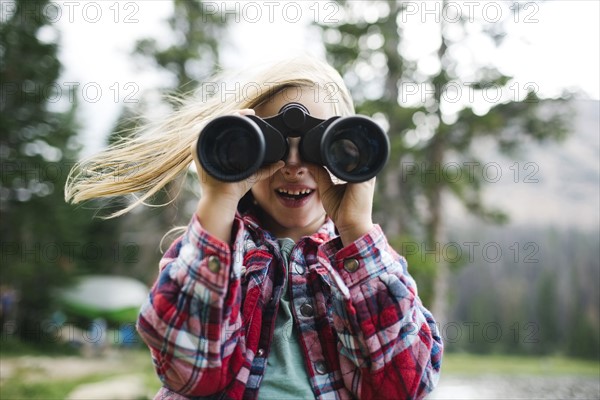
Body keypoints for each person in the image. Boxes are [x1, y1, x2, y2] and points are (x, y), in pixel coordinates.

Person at [65, 57, 443, 399]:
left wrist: (356, 229)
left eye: (317, 146)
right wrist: (217, 204)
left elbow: (404, 385)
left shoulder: (365, 266)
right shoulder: (214, 252)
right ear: (241, 149)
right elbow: (187, 372)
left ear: (352, 151)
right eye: (274, 146)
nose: (294, 164)